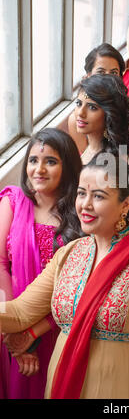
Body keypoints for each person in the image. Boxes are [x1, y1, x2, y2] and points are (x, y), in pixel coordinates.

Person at [0, 157, 129, 399]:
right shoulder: (69, 254)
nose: (85, 205)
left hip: (125, 388)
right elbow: (19, 313)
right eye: (81, 194)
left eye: (98, 196)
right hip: (66, 385)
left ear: (125, 204)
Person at [0, 128, 82, 399]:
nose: (39, 169)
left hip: (57, 327)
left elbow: (78, 285)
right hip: (10, 326)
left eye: (51, 161)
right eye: (34, 160)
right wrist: (13, 326)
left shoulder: (80, 214)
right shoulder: (13, 202)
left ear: (67, 166)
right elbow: (0, 264)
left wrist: (32, 334)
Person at [68, 43, 126, 154]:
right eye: (101, 72)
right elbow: (85, 158)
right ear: (88, 76)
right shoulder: (76, 119)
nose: (107, 78)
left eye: (114, 73)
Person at [73, 74, 129, 164]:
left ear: (110, 114)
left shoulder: (112, 162)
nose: (81, 113)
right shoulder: (92, 147)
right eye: (79, 103)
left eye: (92, 107)